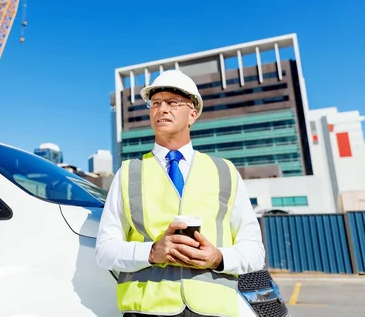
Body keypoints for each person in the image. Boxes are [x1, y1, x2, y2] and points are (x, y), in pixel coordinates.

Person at [95, 69, 265, 317]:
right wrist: (152, 252)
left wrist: (218, 258)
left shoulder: (225, 172)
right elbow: (104, 251)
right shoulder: (128, 173)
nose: (162, 109)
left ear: (192, 114)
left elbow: (254, 251)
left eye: (173, 102)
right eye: (155, 103)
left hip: (214, 311)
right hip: (147, 310)